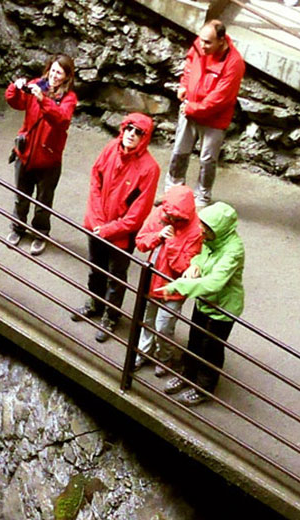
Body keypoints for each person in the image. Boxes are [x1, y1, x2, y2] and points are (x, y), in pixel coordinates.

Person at [152, 201, 244, 406]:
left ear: (218, 230)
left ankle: (204, 387)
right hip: (204, 301)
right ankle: (187, 374)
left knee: (211, 348)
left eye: (206, 227)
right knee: (195, 339)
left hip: (223, 308)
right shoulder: (213, 239)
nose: (201, 229)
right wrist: (195, 265)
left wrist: (179, 286)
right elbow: (203, 256)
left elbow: (216, 282)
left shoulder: (233, 250)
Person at [83, 114, 160, 341]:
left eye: (138, 132)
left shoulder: (149, 169)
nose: (131, 134)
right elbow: (96, 181)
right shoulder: (110, 149)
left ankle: (111, 316)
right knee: (96, 268)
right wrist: (97, 222)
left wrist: (106, 229)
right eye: (129, 129)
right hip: (98, 225)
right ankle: (95, 302)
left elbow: (137, 215)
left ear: (144, 138)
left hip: (120, 235)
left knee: (116, 277)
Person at [5, 56, 78, 255]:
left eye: (59, 73)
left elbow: (62, 120)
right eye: (52, 71)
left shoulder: (69, 98)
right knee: (21, 196)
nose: (54, 76)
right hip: (26, 152)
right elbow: (16, 102)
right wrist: (16, 87)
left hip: (48, 159)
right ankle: (18, 227)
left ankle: (40, 233)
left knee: (43, 201)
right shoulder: (36, 84)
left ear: (66, 77)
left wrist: (43, 100)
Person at [167, 18, 245, 204]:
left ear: (221, 40)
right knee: (179, 151)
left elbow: (219, 99)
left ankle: (202, 196)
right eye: (201, 40)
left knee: (207, 160)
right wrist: (184, 86)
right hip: (190, 108)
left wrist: (191, 108)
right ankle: (173, 190)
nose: (202, 46)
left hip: (213, 119)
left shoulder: (234, 63)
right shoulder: (200, 44)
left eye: (207, 42)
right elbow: (189, 64)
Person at [133, 184, 205, 369]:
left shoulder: (196, 231)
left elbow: (183, 268)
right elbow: (141, 242)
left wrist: (171, 243)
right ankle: (144, 352)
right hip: (152, 282)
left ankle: (164, 357)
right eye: (169, 216)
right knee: (147, 321)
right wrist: (158, 235)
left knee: (163, 327)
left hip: (174, 288)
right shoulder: (160, 214)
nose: (171, 220)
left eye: (176, 218)